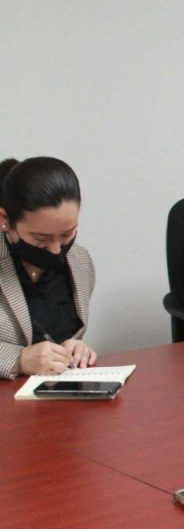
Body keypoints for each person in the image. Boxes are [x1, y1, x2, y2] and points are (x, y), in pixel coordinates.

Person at [0, 157, 96, 379]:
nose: (55, 250)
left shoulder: (80, 261)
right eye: (41, 238)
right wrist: (18, 360)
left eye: (67, 234)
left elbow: (67, 339)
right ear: (5, 220)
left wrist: (75, 350)